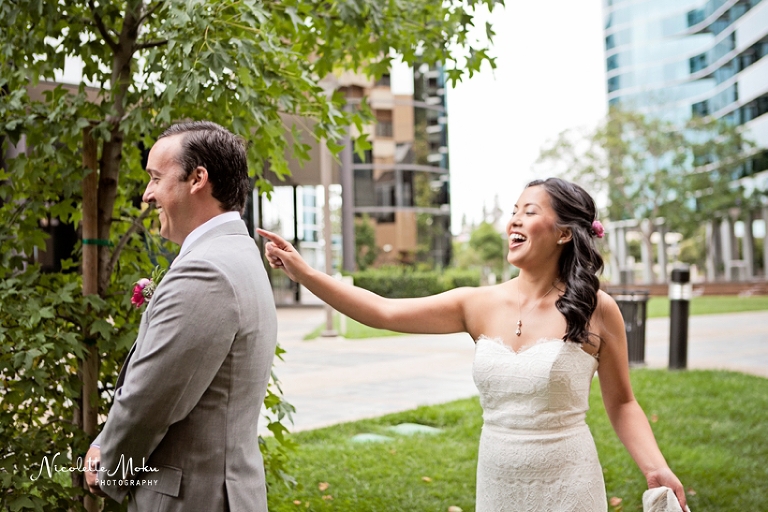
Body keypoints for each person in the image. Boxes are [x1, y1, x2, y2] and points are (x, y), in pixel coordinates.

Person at [258, 177, 688, 512]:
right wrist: (306, 273)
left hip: (569, 481)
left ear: (562, 233)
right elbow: (383, 311)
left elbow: (623, 402)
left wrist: (655, 467)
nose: (513, 221)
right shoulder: (476, 303)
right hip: (498, 481)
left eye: (529, 212)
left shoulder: (597, 309)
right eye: (513, 211)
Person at [85, 121, 278, 512]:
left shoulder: (206, 271)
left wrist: (107, 462)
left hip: (194, 497)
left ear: (197, 179)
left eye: (156, 178)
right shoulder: (238, 253)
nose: (148, 194)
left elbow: (152, 398)